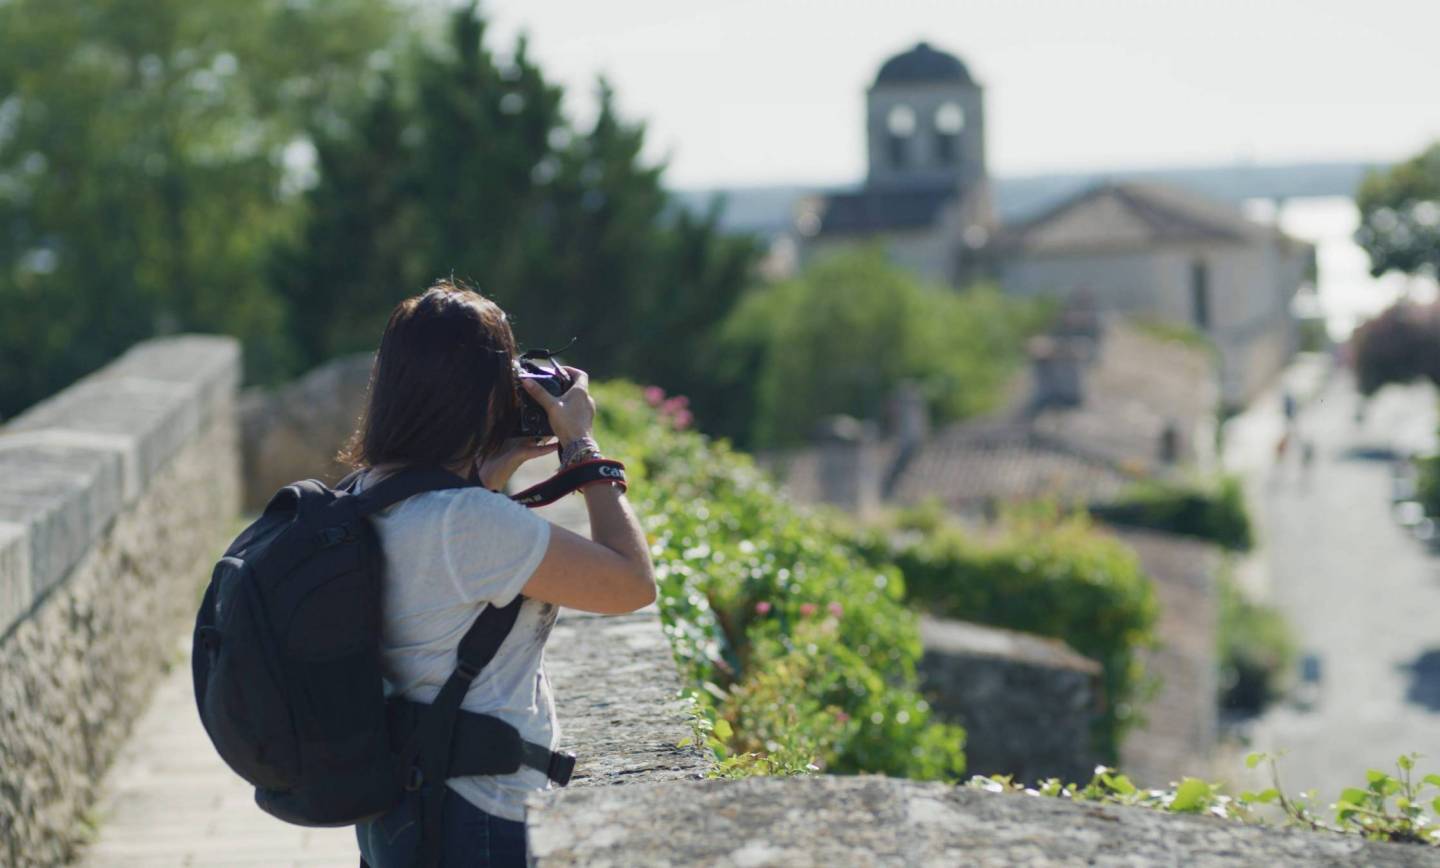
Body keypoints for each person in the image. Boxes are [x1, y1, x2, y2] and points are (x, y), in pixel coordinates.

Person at [342, 281, 656, 868]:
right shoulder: (467, 524)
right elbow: (632, 585)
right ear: (482, 395)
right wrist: (581, 446)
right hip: (479, 817)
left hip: (405, 806)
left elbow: (441, 574)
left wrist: (490, 464)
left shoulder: (370, 492)